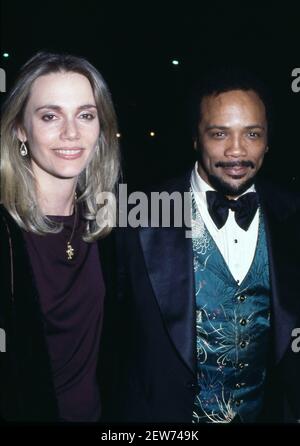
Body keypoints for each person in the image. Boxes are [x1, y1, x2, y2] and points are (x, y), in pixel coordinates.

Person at [112, 68, 300, 423]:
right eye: (219, 134)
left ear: (268, 140)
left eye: (252, 134)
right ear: (196, 139)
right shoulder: (137, 216)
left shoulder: (291, 214)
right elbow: (110, 341)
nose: (236, 151)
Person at [0, 51, 120, 422]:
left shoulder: (108, 228)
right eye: (50, 116)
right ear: (20, 128)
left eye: (85, 115)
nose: (71, 133)